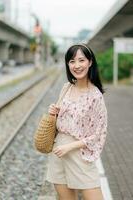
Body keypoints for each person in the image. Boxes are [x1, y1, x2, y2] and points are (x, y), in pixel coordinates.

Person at [46, 43, 108, 200]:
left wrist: (70, 147)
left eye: (81, 60)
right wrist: (55, 111)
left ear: (90, 62)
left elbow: (98, 133)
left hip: (79, 154)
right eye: (72, 61)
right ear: (68, 64)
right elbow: (66, 118)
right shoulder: (66, 87)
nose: (77, 65)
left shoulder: (95, 96)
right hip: (59, 152)